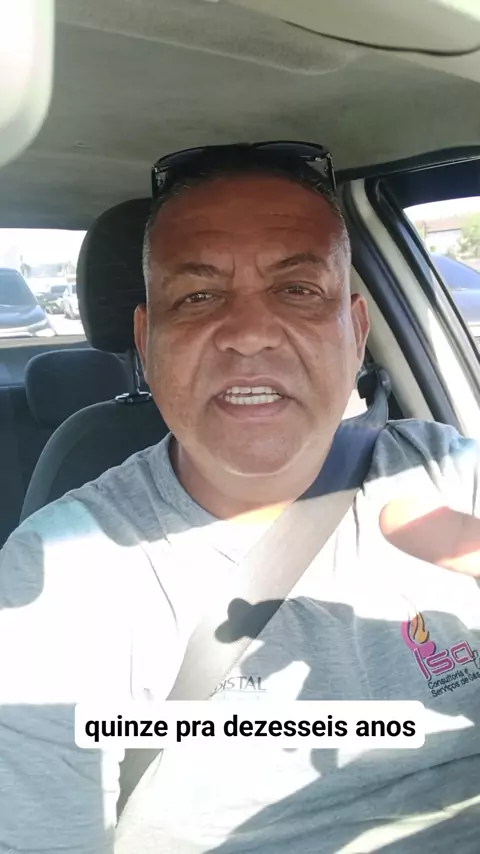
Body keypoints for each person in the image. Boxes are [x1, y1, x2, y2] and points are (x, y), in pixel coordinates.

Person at [0, 142, 479, 854]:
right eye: (197, 297)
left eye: (298, 289)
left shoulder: (450, 475)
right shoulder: (63, 575)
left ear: (356, 333)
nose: (250, 334)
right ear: (146, 340)